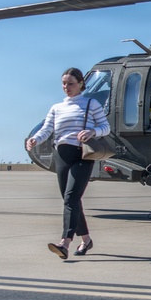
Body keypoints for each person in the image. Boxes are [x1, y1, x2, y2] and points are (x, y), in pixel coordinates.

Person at [26, 67, 111, 259]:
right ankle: (86, 240)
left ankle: (64, 242)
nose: (66, 87)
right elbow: (47, 129)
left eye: (70, 83)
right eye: (64, 83)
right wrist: (35, 139)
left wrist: (92, 132)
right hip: (62, 156)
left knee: (71, 198)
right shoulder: (57, 108)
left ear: (81, 84)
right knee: (71, 200)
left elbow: (106, 127)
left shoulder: (91, 104)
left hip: (82, 155)